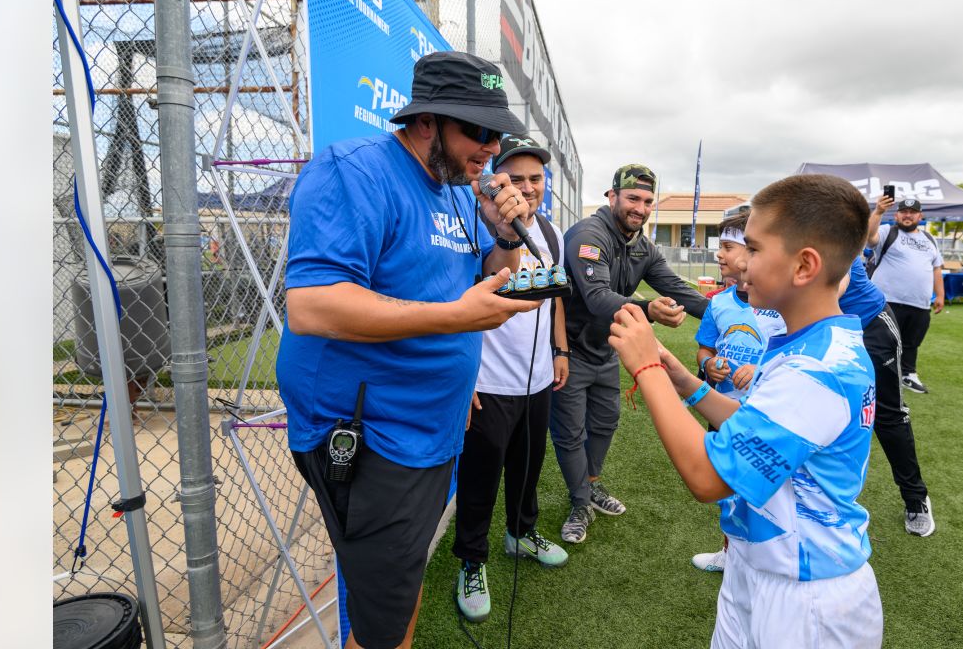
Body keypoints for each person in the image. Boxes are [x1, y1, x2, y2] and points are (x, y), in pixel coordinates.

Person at [276, 51, 540, 649]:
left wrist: (503, 237)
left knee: (399, 590)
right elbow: (312, 304)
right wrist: (454, 320)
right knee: (379, 631)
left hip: (429, 429)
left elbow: (485, 277)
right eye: (478, 131)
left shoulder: (452, 188)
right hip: (373, 440)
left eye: (497, 134)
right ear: (427, 122)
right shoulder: (354, 171)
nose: (491, 149)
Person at [607, 173, 882, 648]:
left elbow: (708, 477)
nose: (738, 263)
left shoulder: (816, 371)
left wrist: (648, 367)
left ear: (804, 266)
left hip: (805, 597)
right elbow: (754, 433)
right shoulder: (809, 344)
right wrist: (683, 379)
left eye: (753, 250)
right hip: (760, 566)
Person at [552, 163, 709, 544]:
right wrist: (649, 308)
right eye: (632, 198)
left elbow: (680, 290)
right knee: (571, 434)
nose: (640, 207)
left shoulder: (643, 246)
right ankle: (578, 504)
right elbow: (597, 296)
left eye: (647, 201)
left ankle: (591, 485)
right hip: (568, 352)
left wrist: (741, 314)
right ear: (613, 197)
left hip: (605, 351)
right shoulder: (588, 235)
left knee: (605, 423)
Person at [452, 135, 571, 622]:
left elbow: (557, 293)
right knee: (479, 480)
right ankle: (472, 561)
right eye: (515, 177)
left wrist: (559, 349)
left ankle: (521, 533)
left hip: (538, 377)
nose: (527, 187)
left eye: (535, 178)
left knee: (527, 468)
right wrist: (465, 380)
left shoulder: (551, 230)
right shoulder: (481, 225)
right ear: (496, 180)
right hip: (490, 382)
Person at [689, 210, 786, 572]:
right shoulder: (718, 303)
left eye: (728, 246)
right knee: (728, 489)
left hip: (763, 415)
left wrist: (759, 369)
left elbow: (794, 356)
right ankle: (730, 553)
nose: (719, 254)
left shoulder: (780, 305)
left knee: (762, 489)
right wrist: (707, 365)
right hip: (722, 408)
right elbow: (705, 348)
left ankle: (760, 559)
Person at [856, 194, 936, 536]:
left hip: (869, 322)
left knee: (886, 415)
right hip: (820, 325)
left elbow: (835, 282)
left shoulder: (834, 234)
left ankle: (916, 498)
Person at [867, 198, 945, 394]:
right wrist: (877, 212)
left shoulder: (930, 239)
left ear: (920, 216)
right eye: (904, 211)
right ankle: (874, 377)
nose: (908, 215)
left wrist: (941, 295)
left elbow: (936, 269)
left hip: (919, 304)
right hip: (888, 301)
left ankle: (908, 375)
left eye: (912, 212)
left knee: (912, 343)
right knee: (881, 343)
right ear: (897, 215)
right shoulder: (887, 231)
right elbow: (869, 237)